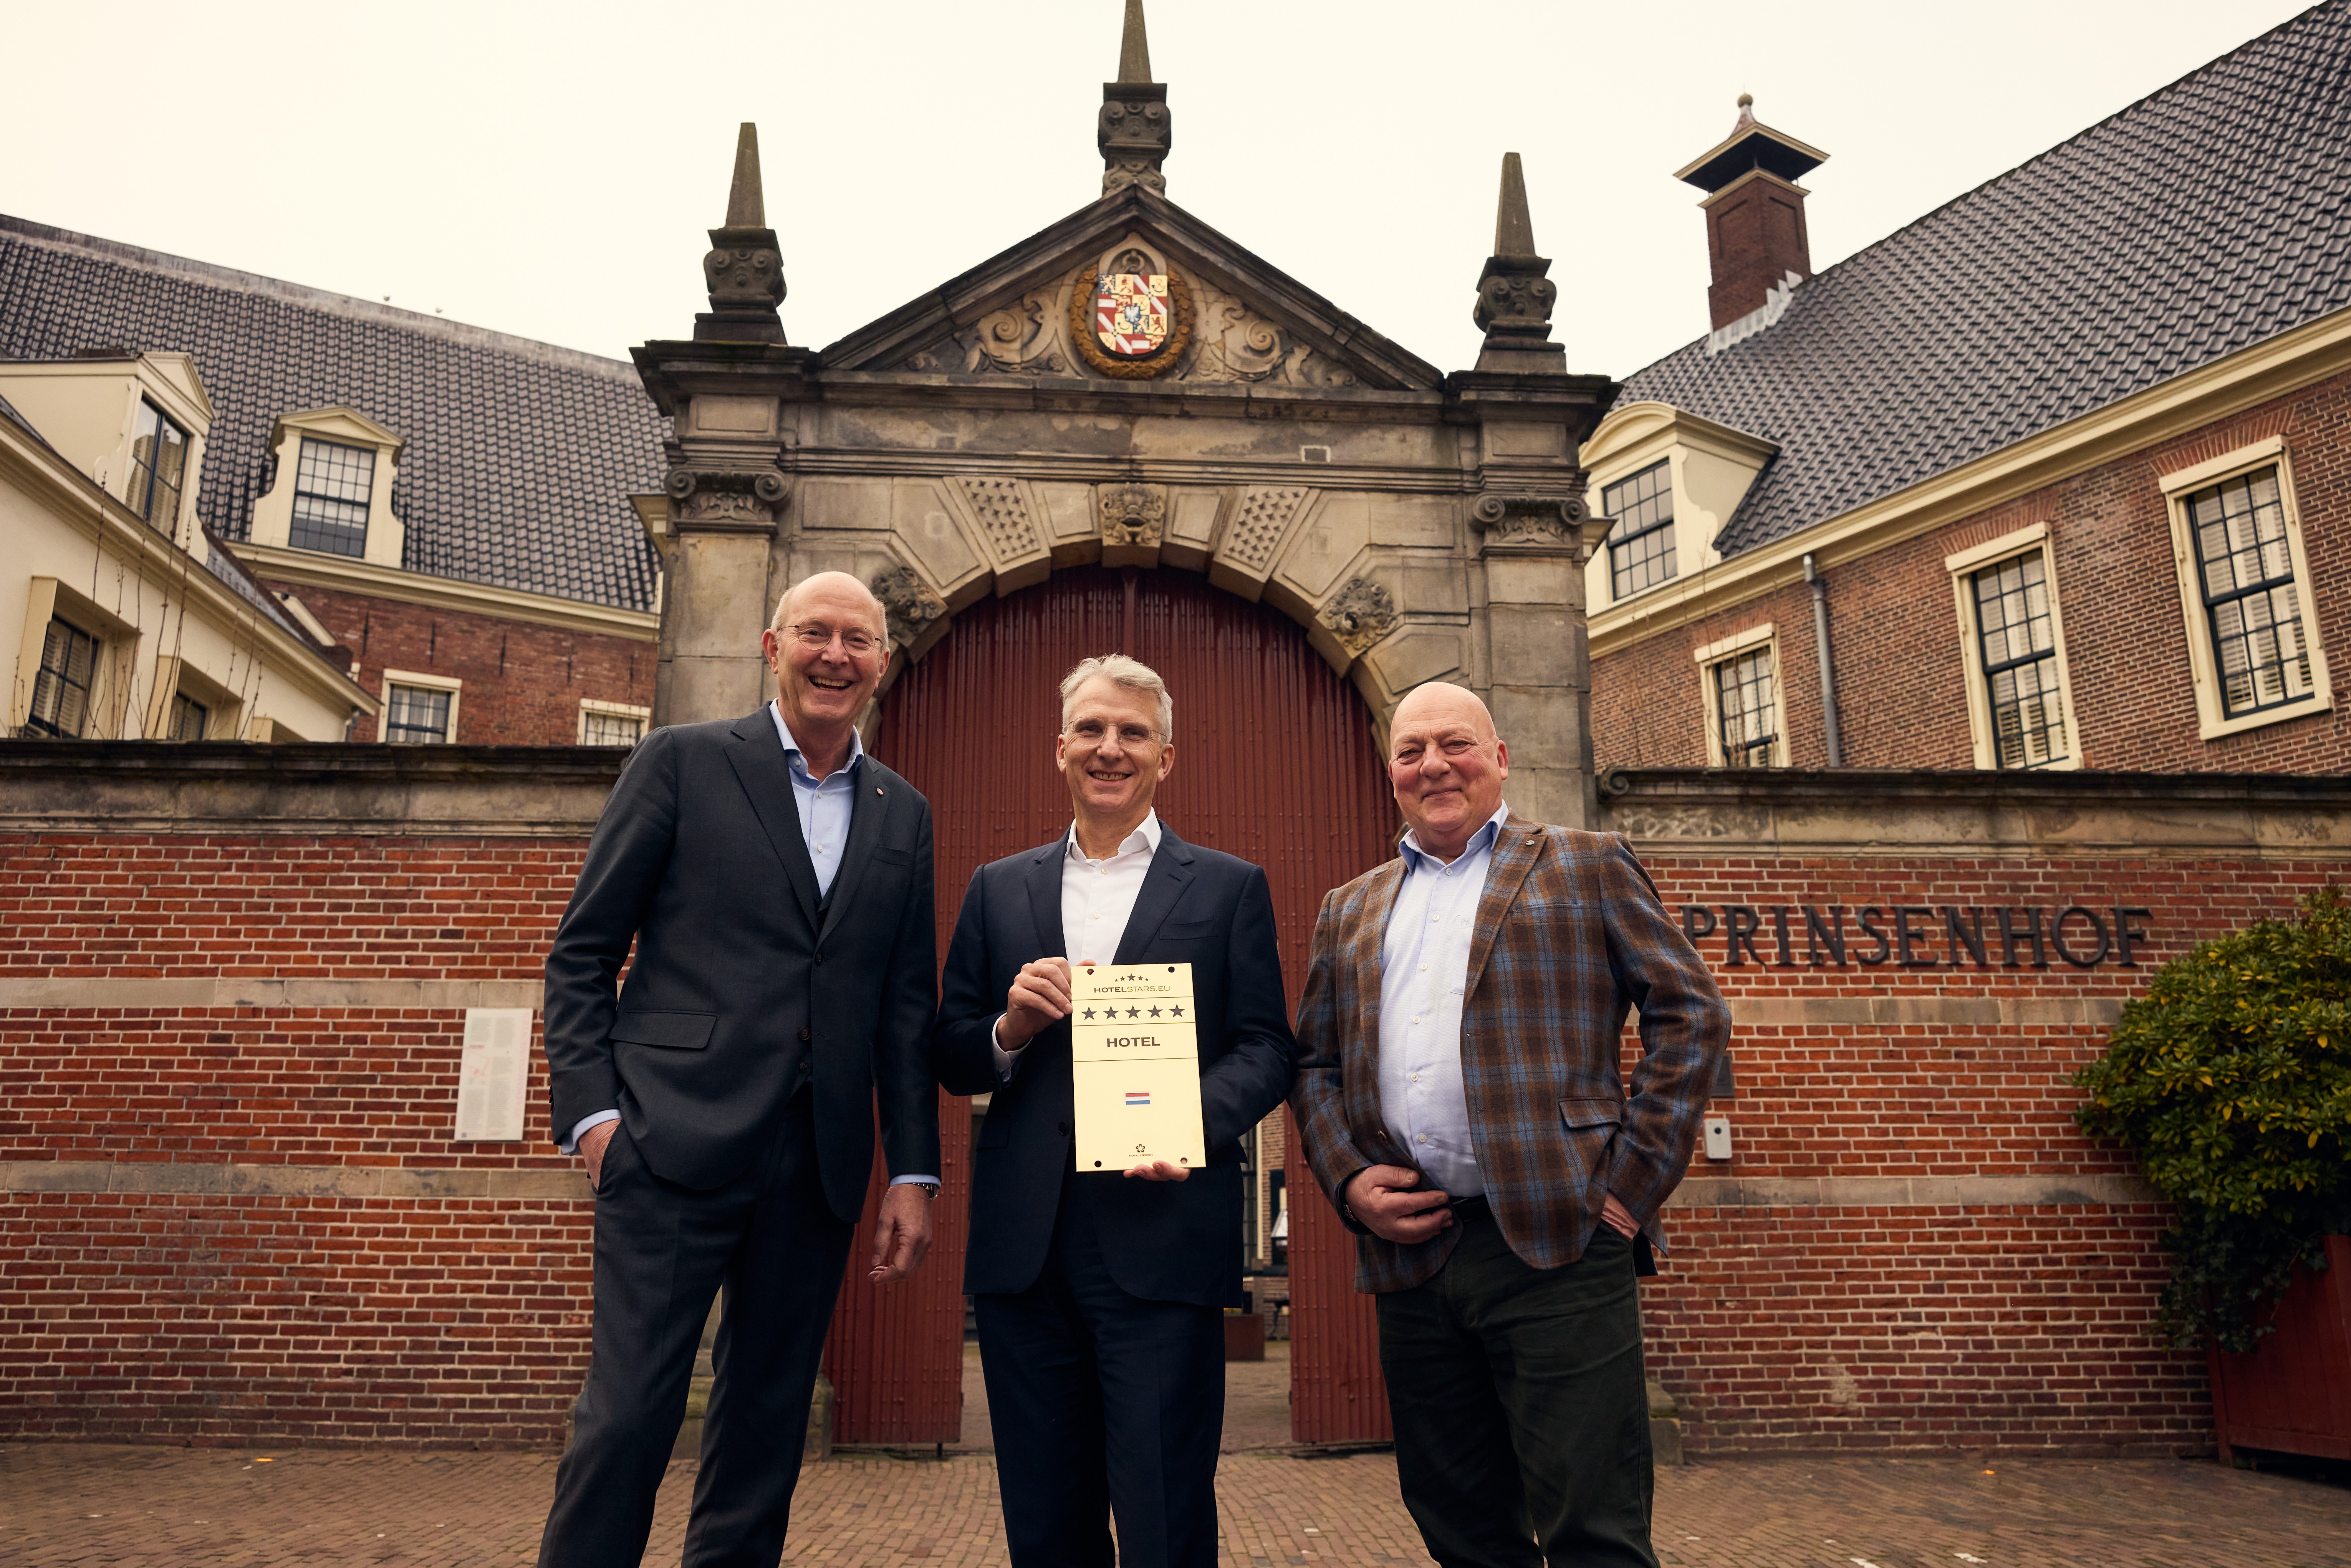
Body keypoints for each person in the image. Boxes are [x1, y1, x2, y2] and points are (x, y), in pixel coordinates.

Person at [536, 571, 942, 1568]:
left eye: (856, 638)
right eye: (815, 633)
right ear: (773, 646)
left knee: (764, 1433)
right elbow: (582, 954)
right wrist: (593, 1116)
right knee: (629, 1416)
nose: (834, 654)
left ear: (881, 663)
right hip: (669, 1141)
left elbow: (902, 1005)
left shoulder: (903, 811)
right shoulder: (679, 762)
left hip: (815, 1167)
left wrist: (913, 1170)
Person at [1289, 680, 1729, 1568]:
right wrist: (1346, 1179)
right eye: (1411, 750)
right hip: (1416, 1250)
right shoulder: (1351, 905)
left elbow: (1690, 1012)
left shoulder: (1586, 862)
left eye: (1454, 743)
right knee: (1458, 1520)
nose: (1433, 764)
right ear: (1392, 772)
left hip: (1562, 1241)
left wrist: (1628, 1190)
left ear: (1497, 758)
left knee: (1591, 1523)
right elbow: (1315, 1064)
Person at [933, 654, 1296, 1568]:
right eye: (1092, 729)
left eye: (1133, 732)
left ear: (1165, 757)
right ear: (1060, 748)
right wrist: (1008, 1027)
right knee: (1045, 1520)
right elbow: (946, 1048)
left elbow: (1266, 1048)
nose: (1110, 748)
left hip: (1163, 1233)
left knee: (1165, 1517)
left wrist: (1184, 1115)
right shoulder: (997, 886)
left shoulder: (1225, 886)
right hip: (1027, 1246)